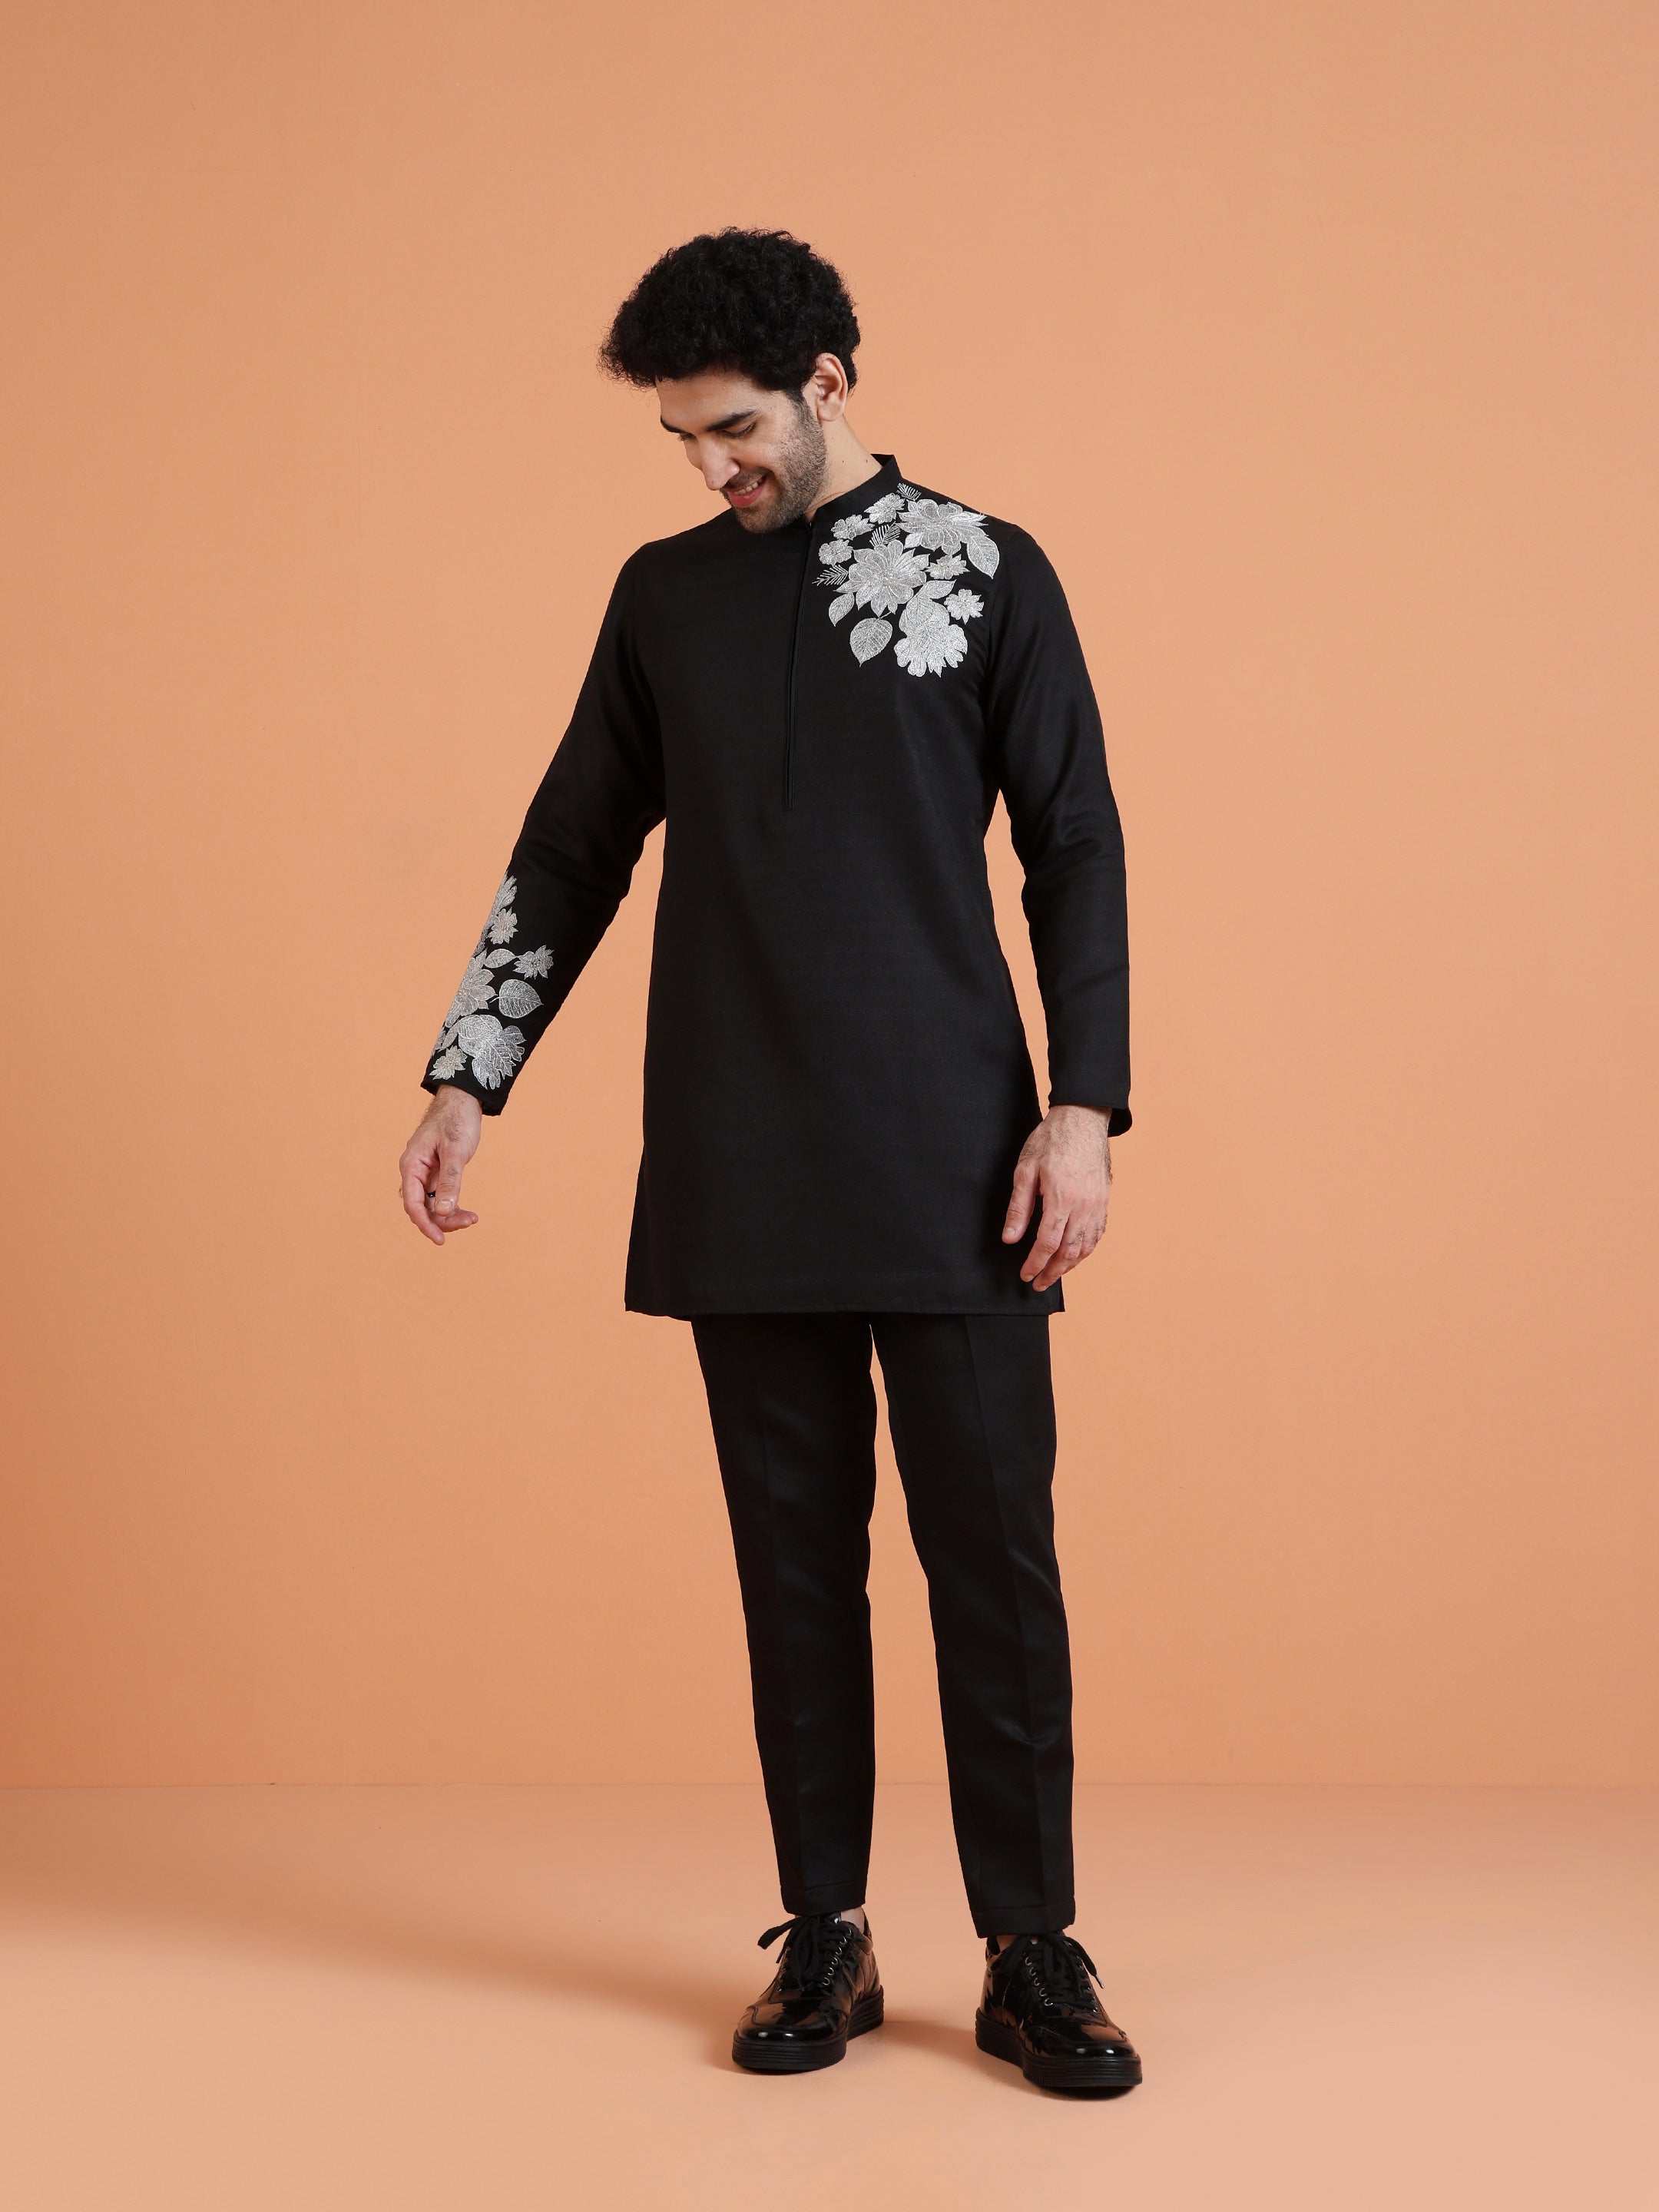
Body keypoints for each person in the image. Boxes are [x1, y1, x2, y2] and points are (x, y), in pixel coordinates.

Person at [397, 229, 1141, 2094]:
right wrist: (471, 1073)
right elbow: (573, 845)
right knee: (792, 1563)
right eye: (680, 439)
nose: (708, 465)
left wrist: (1083, 1111)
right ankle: (826, 1932)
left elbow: (1075, 843)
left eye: (732, 427)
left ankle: (1033, 1948)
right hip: (741, 1147)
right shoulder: (665, 597)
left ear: (827, 384)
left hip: (962, 1154)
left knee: (995, 1561)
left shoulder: (989, 567)